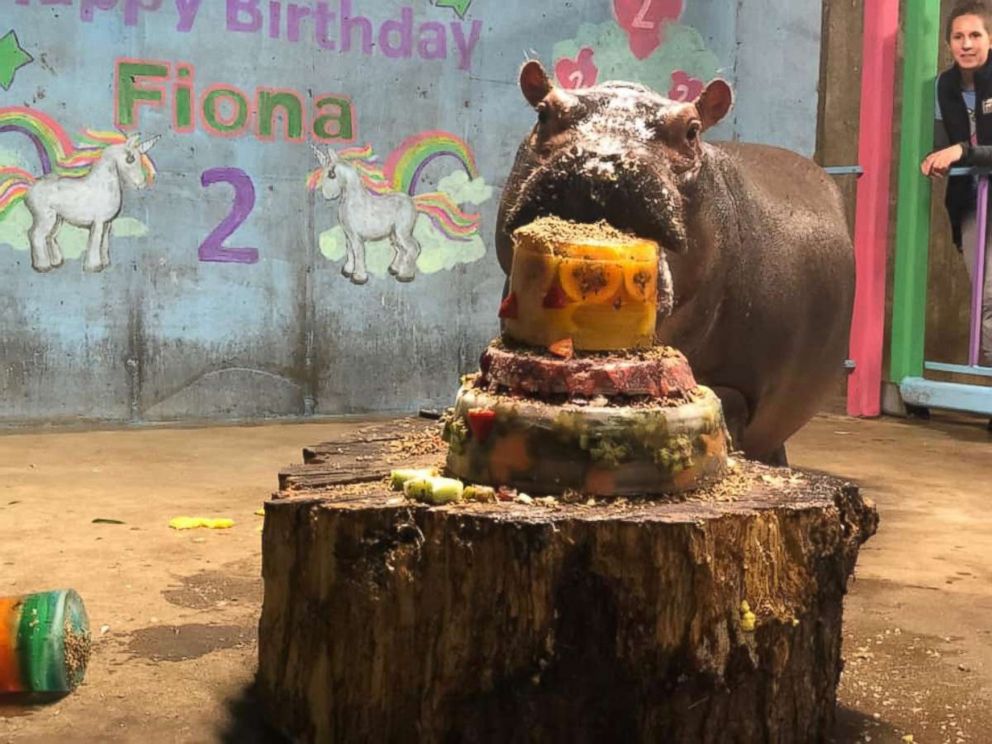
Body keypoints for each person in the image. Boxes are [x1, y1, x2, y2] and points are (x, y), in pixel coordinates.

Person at [921, 0, 992, 369]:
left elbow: (963, 149)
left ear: (991, 39)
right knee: (983, 293)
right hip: (969, 204)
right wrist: (933, 160)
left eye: (975, 35)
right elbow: (938, 145)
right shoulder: (943, 86)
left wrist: (960, 151)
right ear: (949, 43)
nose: (966, 44)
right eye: (958, 36)